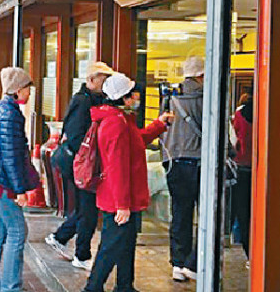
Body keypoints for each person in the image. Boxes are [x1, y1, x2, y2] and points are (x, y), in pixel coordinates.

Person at [83, 73, 172, 292]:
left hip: (124, 196)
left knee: (125, 242)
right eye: (134, 95)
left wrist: (159, 125)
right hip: (119, 198)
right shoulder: (116, 124)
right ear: (124, 98)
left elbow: (137, 141)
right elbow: (117, 168)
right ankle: (93, 287)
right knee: (112, 245)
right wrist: (122, 204)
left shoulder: (121, 119)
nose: (137, 98)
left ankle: (125, 285)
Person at [46, 62, 114, 270]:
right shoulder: (83, 102)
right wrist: (87, 161)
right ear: (91, 80)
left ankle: (61, 237)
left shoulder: (95, 100)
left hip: (80, 163)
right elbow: (76, 137)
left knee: (87, 208)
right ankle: (81, 254)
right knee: (88, 210)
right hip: (77, 163)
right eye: (104, 80)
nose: (106, 85)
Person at [0, 67, 41, 292]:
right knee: (16, 232)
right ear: (17, 90)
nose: (29, 93)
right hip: (1, 182)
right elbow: (11, 156)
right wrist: (20, 190)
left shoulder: (0, 106)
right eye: (27, 89)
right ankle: (11, 287)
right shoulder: (11, 114)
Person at [160, 56, 204, 282]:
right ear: (201, 75)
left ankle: (178, 263)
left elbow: (161, 127)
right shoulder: (205, 95)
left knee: (179, 213)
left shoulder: (170, 96)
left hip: (174, 162)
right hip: (198, 162)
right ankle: (194, 263)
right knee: (205, 215)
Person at [231, 93, 252, 258]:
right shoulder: (269, 113)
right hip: (263, 167)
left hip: (241, 165)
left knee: (242, 212)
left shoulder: (239, 115)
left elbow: (234, 140)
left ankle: (248, 251)